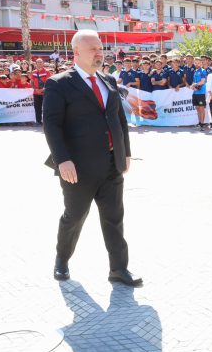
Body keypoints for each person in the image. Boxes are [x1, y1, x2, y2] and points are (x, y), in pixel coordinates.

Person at [43, 29, 141, 286]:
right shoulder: (59, 83)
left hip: (111, 164)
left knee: (114, 217)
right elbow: (52, 125)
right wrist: (62, 159)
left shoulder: (108, 80)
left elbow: (119, 120)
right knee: (74, 217)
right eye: (93, 49)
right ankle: (62, 261)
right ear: (76, 52)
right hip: (78, 167)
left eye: (100, 48)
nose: (100, 53)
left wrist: (126, 152)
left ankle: (119, 269)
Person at [31, 58, 53, 127]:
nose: (40, 63)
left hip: (45, 93)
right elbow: (31, 82)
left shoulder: (47, 72)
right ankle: (38, 121)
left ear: (43, 63)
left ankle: (46, 122)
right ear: (36, 64)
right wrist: (35, 89)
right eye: (38, 62)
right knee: (37, 108)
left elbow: (49, 82)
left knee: (46, 108)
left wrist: (43, 89)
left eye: (41, 62)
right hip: (36, 93)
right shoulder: (33, 72)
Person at [191, 56, 209, 131]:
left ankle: (202, 124)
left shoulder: (203, 71)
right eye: (196, 63)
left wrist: (194, 85)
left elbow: (202, 81)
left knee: (202, 109)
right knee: (198, 108)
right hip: (195, 93)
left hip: (201, 93)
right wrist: (193, 86)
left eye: (198, 63)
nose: (197, 64)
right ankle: (199, 123)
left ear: (201, 63)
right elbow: (193, 82)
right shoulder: (194, 71)